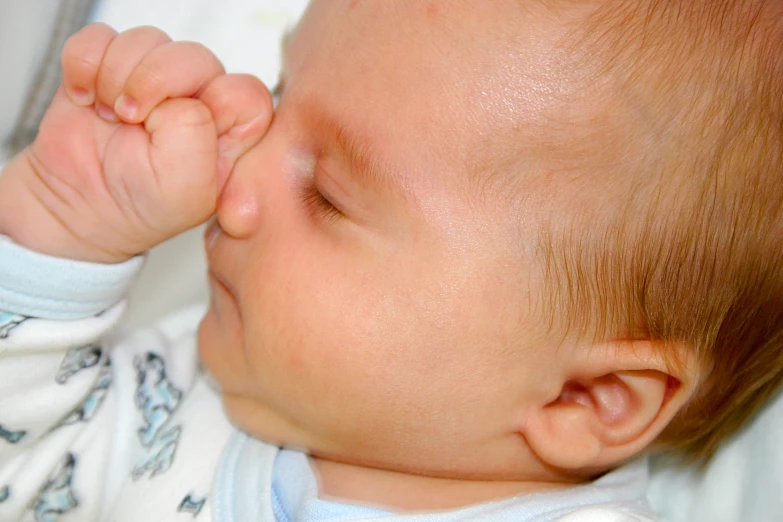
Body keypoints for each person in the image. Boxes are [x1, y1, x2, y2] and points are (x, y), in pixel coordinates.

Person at [0, 1, 781, 521]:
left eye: (330, 197)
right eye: (277, 93)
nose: (232, 174)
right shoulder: (184, 395)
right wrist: (63, 228)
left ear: (586, 399)